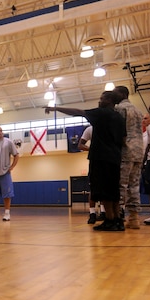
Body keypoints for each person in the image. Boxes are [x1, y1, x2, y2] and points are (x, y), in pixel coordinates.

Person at [47, 91, 126, 231]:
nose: (99, 101)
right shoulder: (119, 117)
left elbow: (78, 112)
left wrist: (55, 108)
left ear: (108, 100)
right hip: (115, 157)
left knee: (103, 189)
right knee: (114, 190)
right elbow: (124, 139)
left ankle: (109, 220)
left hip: (101, 157)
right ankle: (118, 220)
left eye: (101, 99)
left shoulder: (101, 113)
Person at [112, 86, 145, 229]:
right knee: (134, 185)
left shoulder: (120, 109)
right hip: (139, 152)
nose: (114, 95)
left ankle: (118, 216)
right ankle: (134, 218)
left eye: (115, 92)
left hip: (125, 150)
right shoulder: (139, 111)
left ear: (123, 94)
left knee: (121, 185)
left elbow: (118, 131)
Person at [78, 126, 105, 224]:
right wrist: (92, 149)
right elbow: (80, 145)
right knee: (93, 189)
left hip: (107, 160)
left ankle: (103, 212)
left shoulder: (108, 127)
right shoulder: (90, 129)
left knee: (105, 188)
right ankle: (92, 214)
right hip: (95, 161)